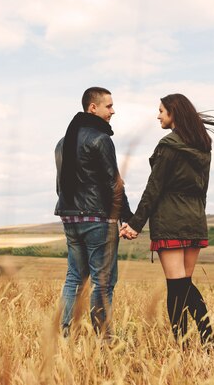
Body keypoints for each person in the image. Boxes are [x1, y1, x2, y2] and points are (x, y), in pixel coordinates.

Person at [120, 93, 214, 346]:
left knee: (177, 288)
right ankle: (206, 339)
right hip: (195, 220)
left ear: (173, 113)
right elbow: (203, 189)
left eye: (161, 111)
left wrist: (134, 224)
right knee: (184, 285)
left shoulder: (168, 145)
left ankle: (190, 344)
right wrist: (197, 216)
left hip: (171, 222)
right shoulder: (203, 145)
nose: (158, 115)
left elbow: (154, 188)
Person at [54, 86, 133, 338]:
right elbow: (114, 182)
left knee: (74, 277)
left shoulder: (62, 142)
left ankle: (64, 334)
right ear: (93, 108)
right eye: (108, 106)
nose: (113, 111)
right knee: (103, 281)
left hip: (70, 217)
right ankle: (105, 339)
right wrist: (127, 216)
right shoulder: (101, 139)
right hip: (98, 218)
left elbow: (61, 182)